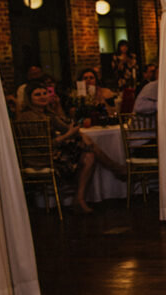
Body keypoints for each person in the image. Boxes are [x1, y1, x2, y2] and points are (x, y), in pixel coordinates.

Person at [17, 81, 124, 214]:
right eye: (37, 95)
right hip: (40, 159)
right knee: (87, 146)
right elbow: (46, 146)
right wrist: (68, 135)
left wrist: (59, 108)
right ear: (29, 98)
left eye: (45, 93)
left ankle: (79, 200)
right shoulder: (29, 117)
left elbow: (68, 125)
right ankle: (115, 168)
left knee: (89, 154)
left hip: (51, 154)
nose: (43, 96)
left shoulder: (45, 113)